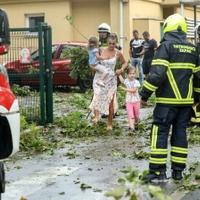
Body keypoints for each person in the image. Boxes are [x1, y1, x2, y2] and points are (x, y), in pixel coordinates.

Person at [140, 13, 200, 183]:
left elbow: (157, 75)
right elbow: (198, 78)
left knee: (159, 133)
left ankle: (157, 173)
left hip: (167, 102)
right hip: (186, 104)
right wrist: (197, 98)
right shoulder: (193, 50)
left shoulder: (165, 47)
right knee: (180, 134)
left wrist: (144, 95)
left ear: (168, 28)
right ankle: (178, 172)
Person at [89, 34, 127, 130]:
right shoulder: (100, 50)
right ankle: (97, 117)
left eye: (113, 43)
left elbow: (125, 63)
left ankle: (109, 124)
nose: (111, 45)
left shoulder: (118, 53)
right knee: (97, 97)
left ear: (116, 43)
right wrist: (93, 67)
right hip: (100, 78)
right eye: (109, 43)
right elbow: (92, 59)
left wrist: (121, 69)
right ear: (107, 42)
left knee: (110, 101)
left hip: (111, 79)